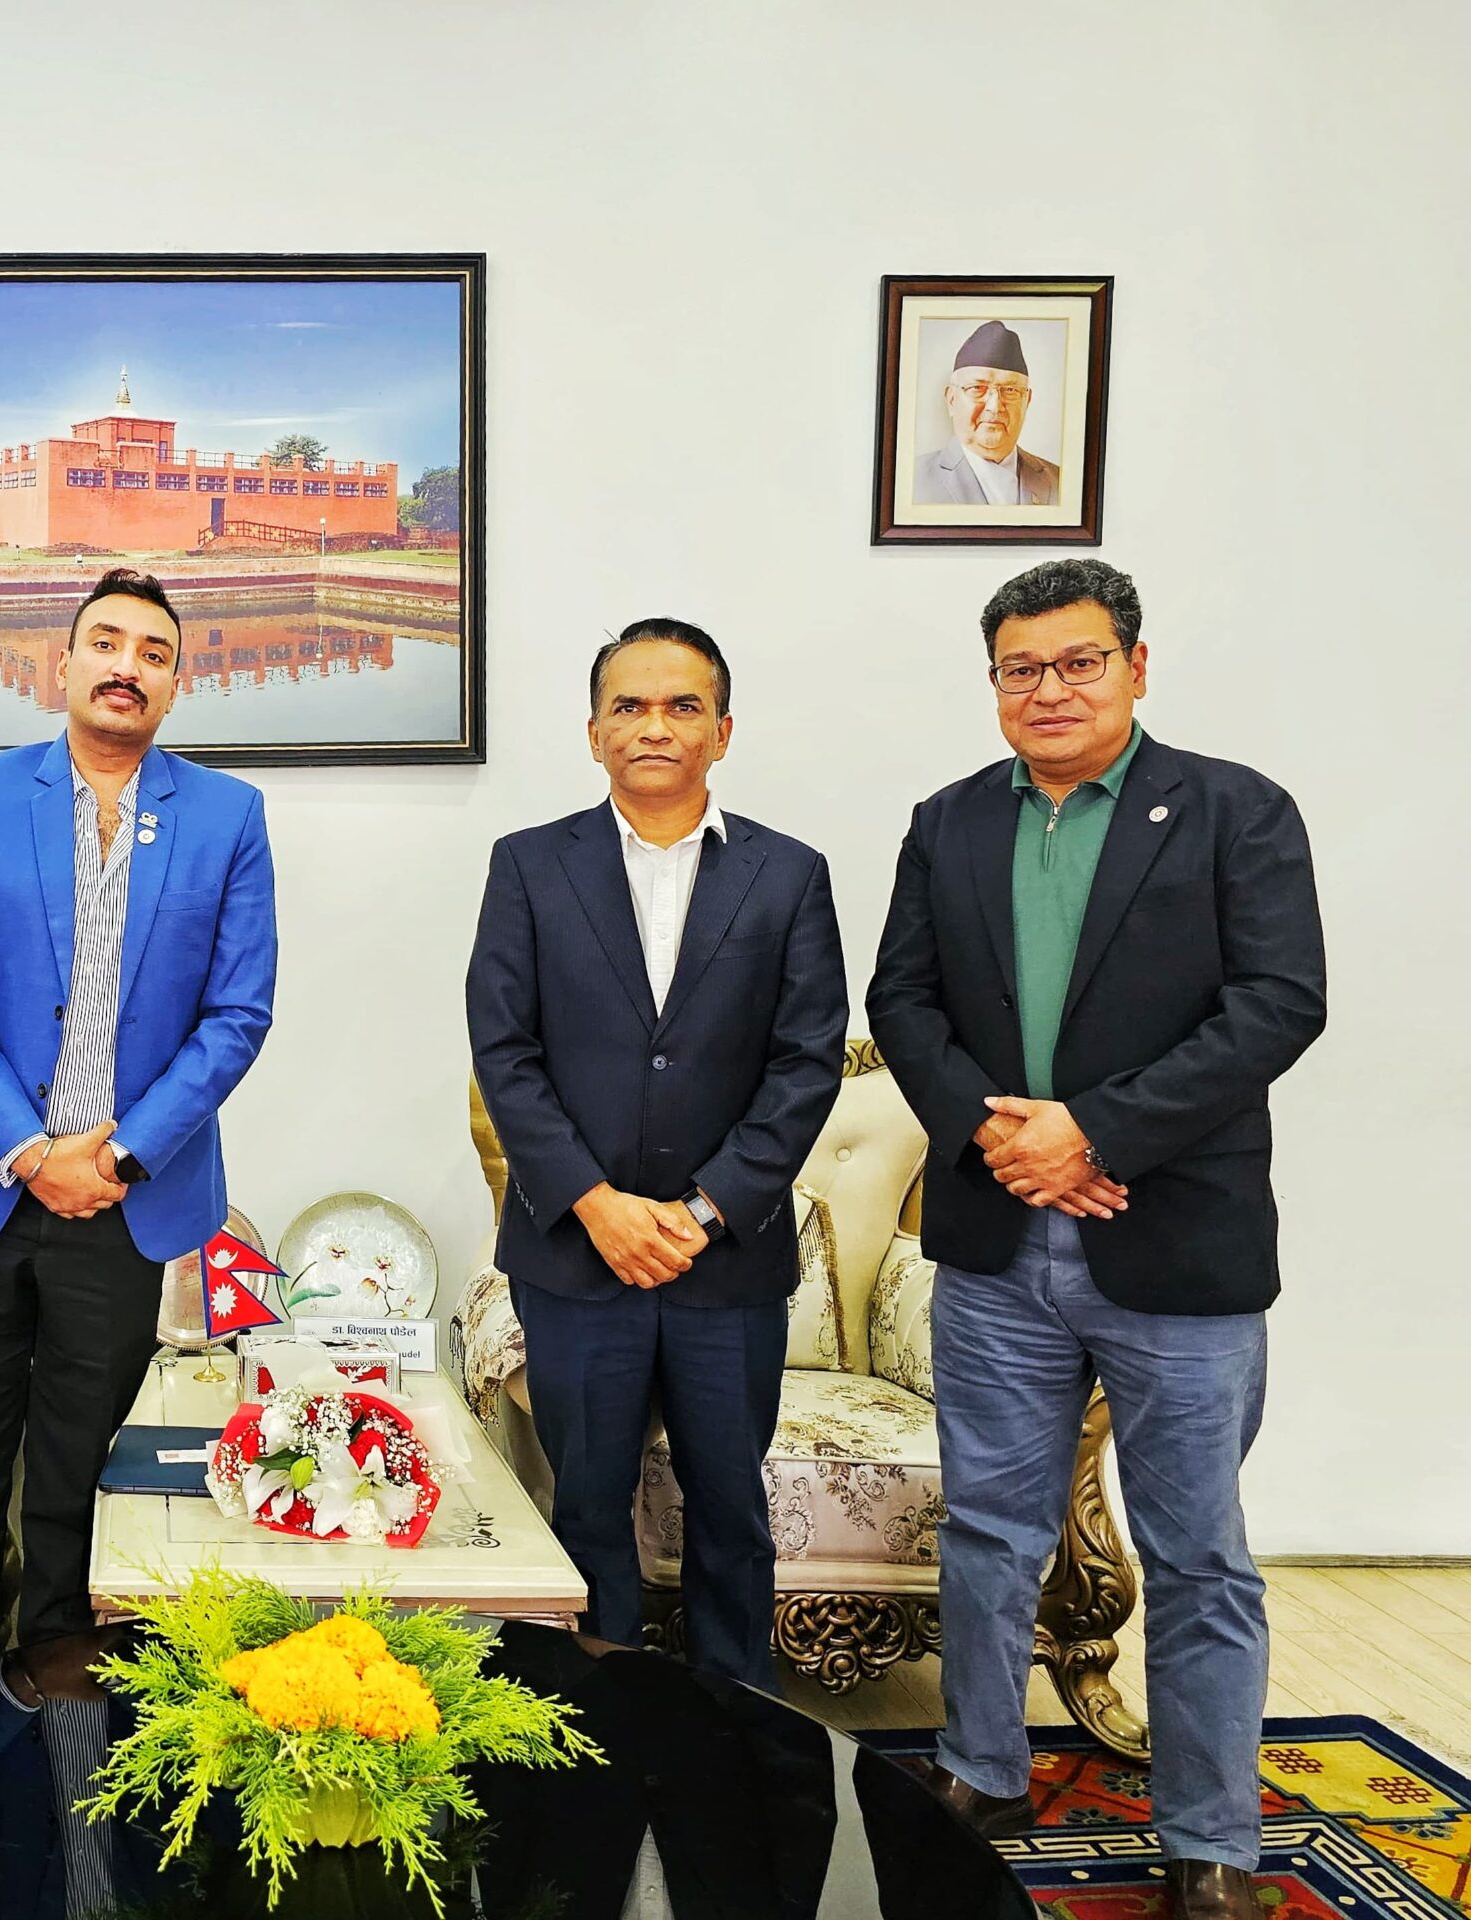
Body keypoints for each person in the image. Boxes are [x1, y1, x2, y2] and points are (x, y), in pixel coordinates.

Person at [866, 559, 1326, 1920]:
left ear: (1134, 665)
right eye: (1022, 669)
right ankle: (982, 1769)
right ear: (993, 683)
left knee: (1198, 1556)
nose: (1050, 690)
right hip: (996, 1245)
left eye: (1078, 662)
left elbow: (1277, 1004)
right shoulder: (949, 823)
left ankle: (1208, 1839)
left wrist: (1096, 1135)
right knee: (988, 1533)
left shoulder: (1237, 811)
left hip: (1173, 1245)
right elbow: (901, 1000)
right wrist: (999, 1136)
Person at [0, 566, 277, 1676]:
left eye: (153, 654)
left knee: (76, 1475)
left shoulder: (227, 816)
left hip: (126, 1199)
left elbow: (237, 1014)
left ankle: (61, 1714)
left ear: (175, 684)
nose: (126, 667)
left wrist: (120, 1153)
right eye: (105, 644)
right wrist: (29, 1151)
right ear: (61, 664)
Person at [466, 619, 846, 1689]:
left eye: (683, 706)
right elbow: (504, 1053)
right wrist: (596, 1204)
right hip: (576, 1257)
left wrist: (703, 1211)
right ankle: (602, 1725)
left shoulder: (788, 874)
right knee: (587, 1507)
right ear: (593, 732)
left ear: (722, 731)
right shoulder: (530, 866)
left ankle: (735, 1730)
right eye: (628, 706)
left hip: (725, 1263)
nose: (654, 726)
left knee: (730, 1507)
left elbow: (806, 1061)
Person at [913, 320, 1059, 508]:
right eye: (977, 388)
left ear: (1027, 400)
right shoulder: (912, 481)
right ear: (951, 400)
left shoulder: (1060, 481)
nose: (995, 407)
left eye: (1011, 390)